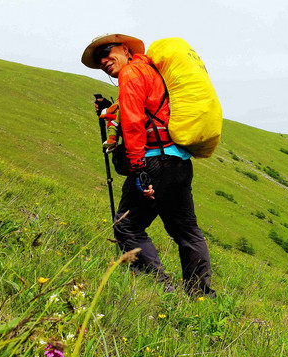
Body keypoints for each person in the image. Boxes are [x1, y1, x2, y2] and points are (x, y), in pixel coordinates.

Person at [81, 34, 214, 298]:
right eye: (98, 59)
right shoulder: (150, 71)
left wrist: (138, 168)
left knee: (127, 226)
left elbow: (133, 123)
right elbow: (146, 110)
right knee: (187, 232)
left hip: (153, 162)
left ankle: (161, 288)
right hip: (178, 162)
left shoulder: (131, 73)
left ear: (124, 48)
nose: (103, 61)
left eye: (106, 52)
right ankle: (199, 295)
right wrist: (109, 109)